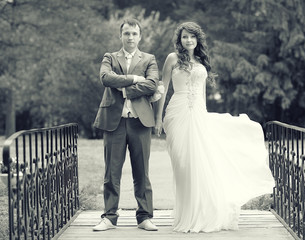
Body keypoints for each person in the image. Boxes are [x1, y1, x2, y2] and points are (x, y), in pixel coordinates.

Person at [154, 22, 275, 233]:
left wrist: (205, 115)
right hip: (177, 113)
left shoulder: (201, 61)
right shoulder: (172, 59)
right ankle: (186, 214)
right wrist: (158, 118)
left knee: (200, 163)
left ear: (198, 39)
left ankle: (202, 213)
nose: (188, 40)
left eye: (192, 37)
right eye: (184, 37)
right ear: (179, 39)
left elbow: (201, 94)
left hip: (199, 114)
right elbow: (163, 89)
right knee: (183, 164)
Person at [93, 18, 159, 232]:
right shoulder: (109, 57)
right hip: (114, 122)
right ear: (121, 36)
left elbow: (152, 84)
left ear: (140, 36)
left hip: (140, 123)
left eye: (134, 33)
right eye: (127, 33)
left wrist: (125, 89)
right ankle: (110, 218)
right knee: (111, 173)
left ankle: (144, 217)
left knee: (142, 172)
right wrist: (133, 78)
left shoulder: (149, 59)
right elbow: (105, 78)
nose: (130, 37)